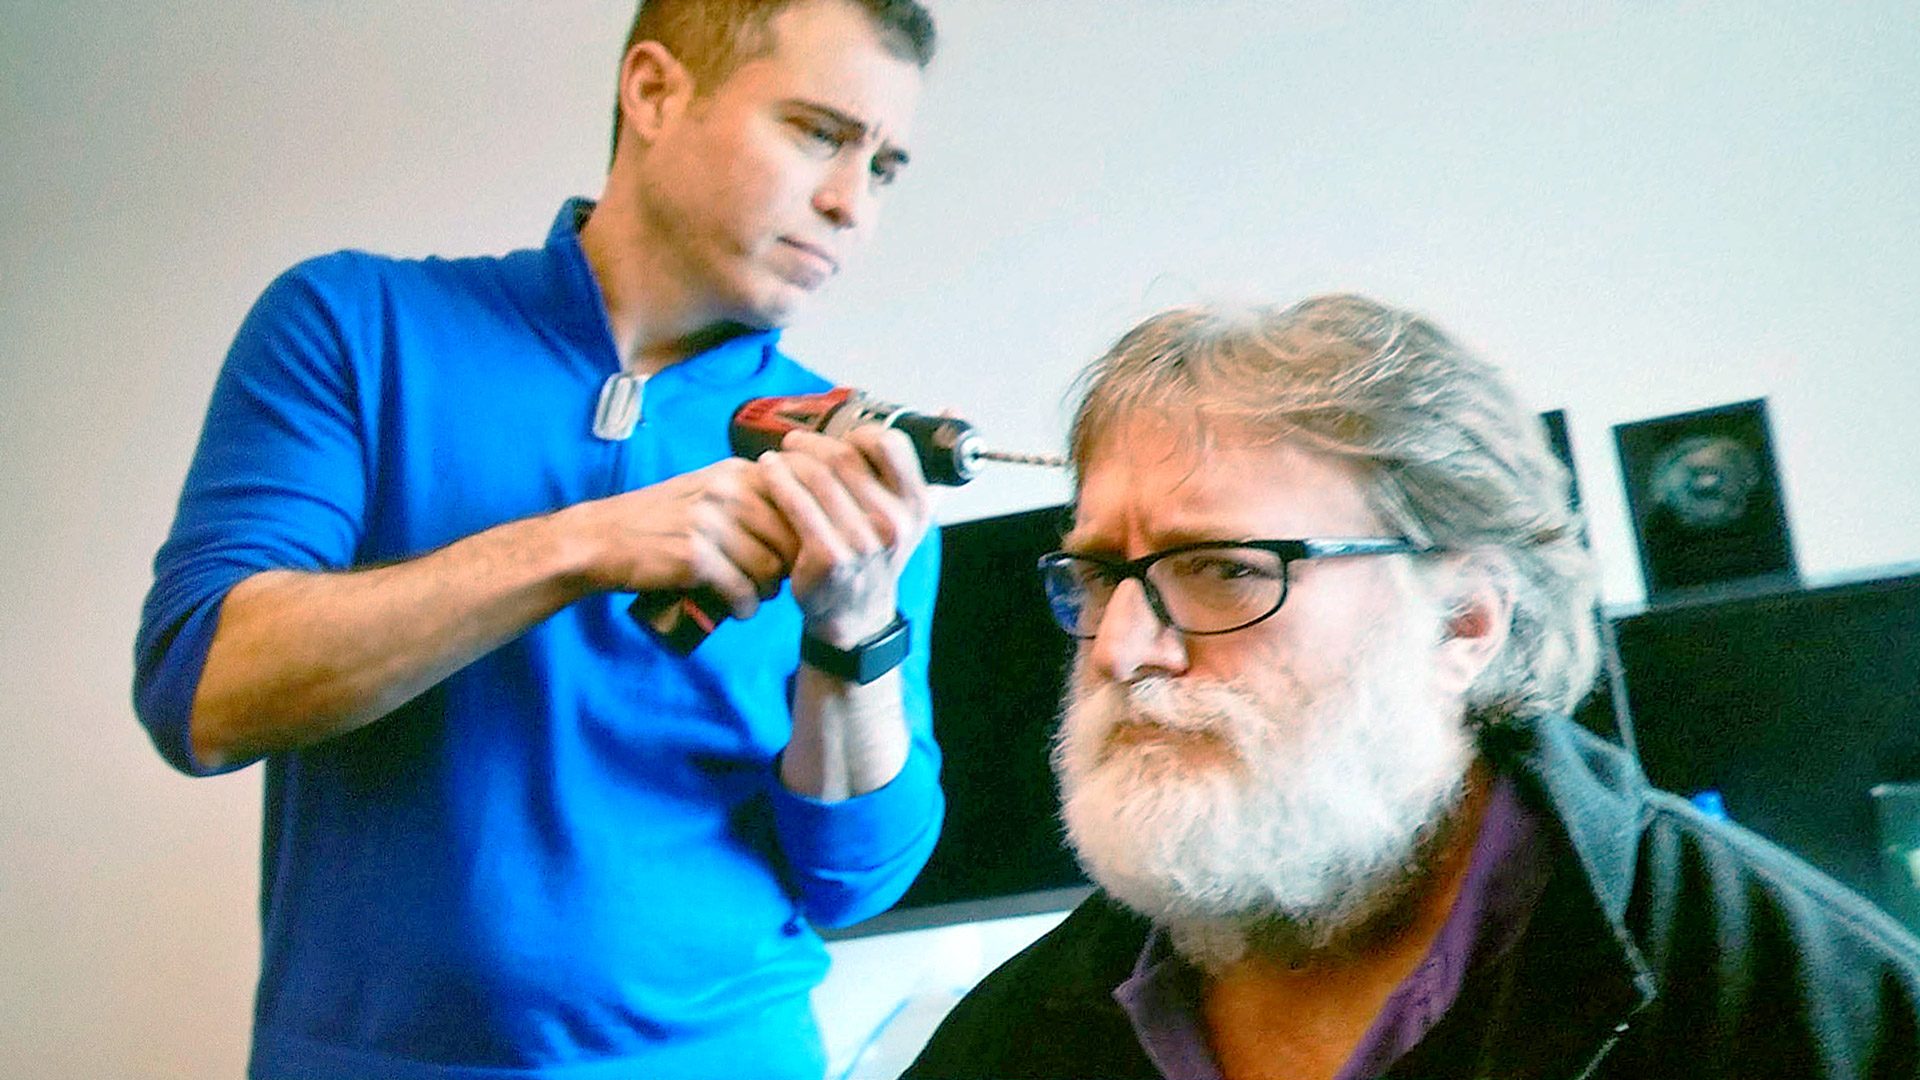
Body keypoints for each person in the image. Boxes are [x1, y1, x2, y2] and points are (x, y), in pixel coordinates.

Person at [133, 2, 943, 1077]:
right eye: (817, 133)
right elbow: (201, 695)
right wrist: (575, 546)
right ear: (654, 92)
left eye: (883, 168)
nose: (850, 204)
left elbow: (855, 881)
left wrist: (854, 630)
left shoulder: (850, 471)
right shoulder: (355, 324)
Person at [904, 295, 1920, 1079]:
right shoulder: (1007, 1043)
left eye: (1222, 569)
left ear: (1465, 620)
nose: (1122, 647)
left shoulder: (1801, 1010)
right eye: (1097, 576)